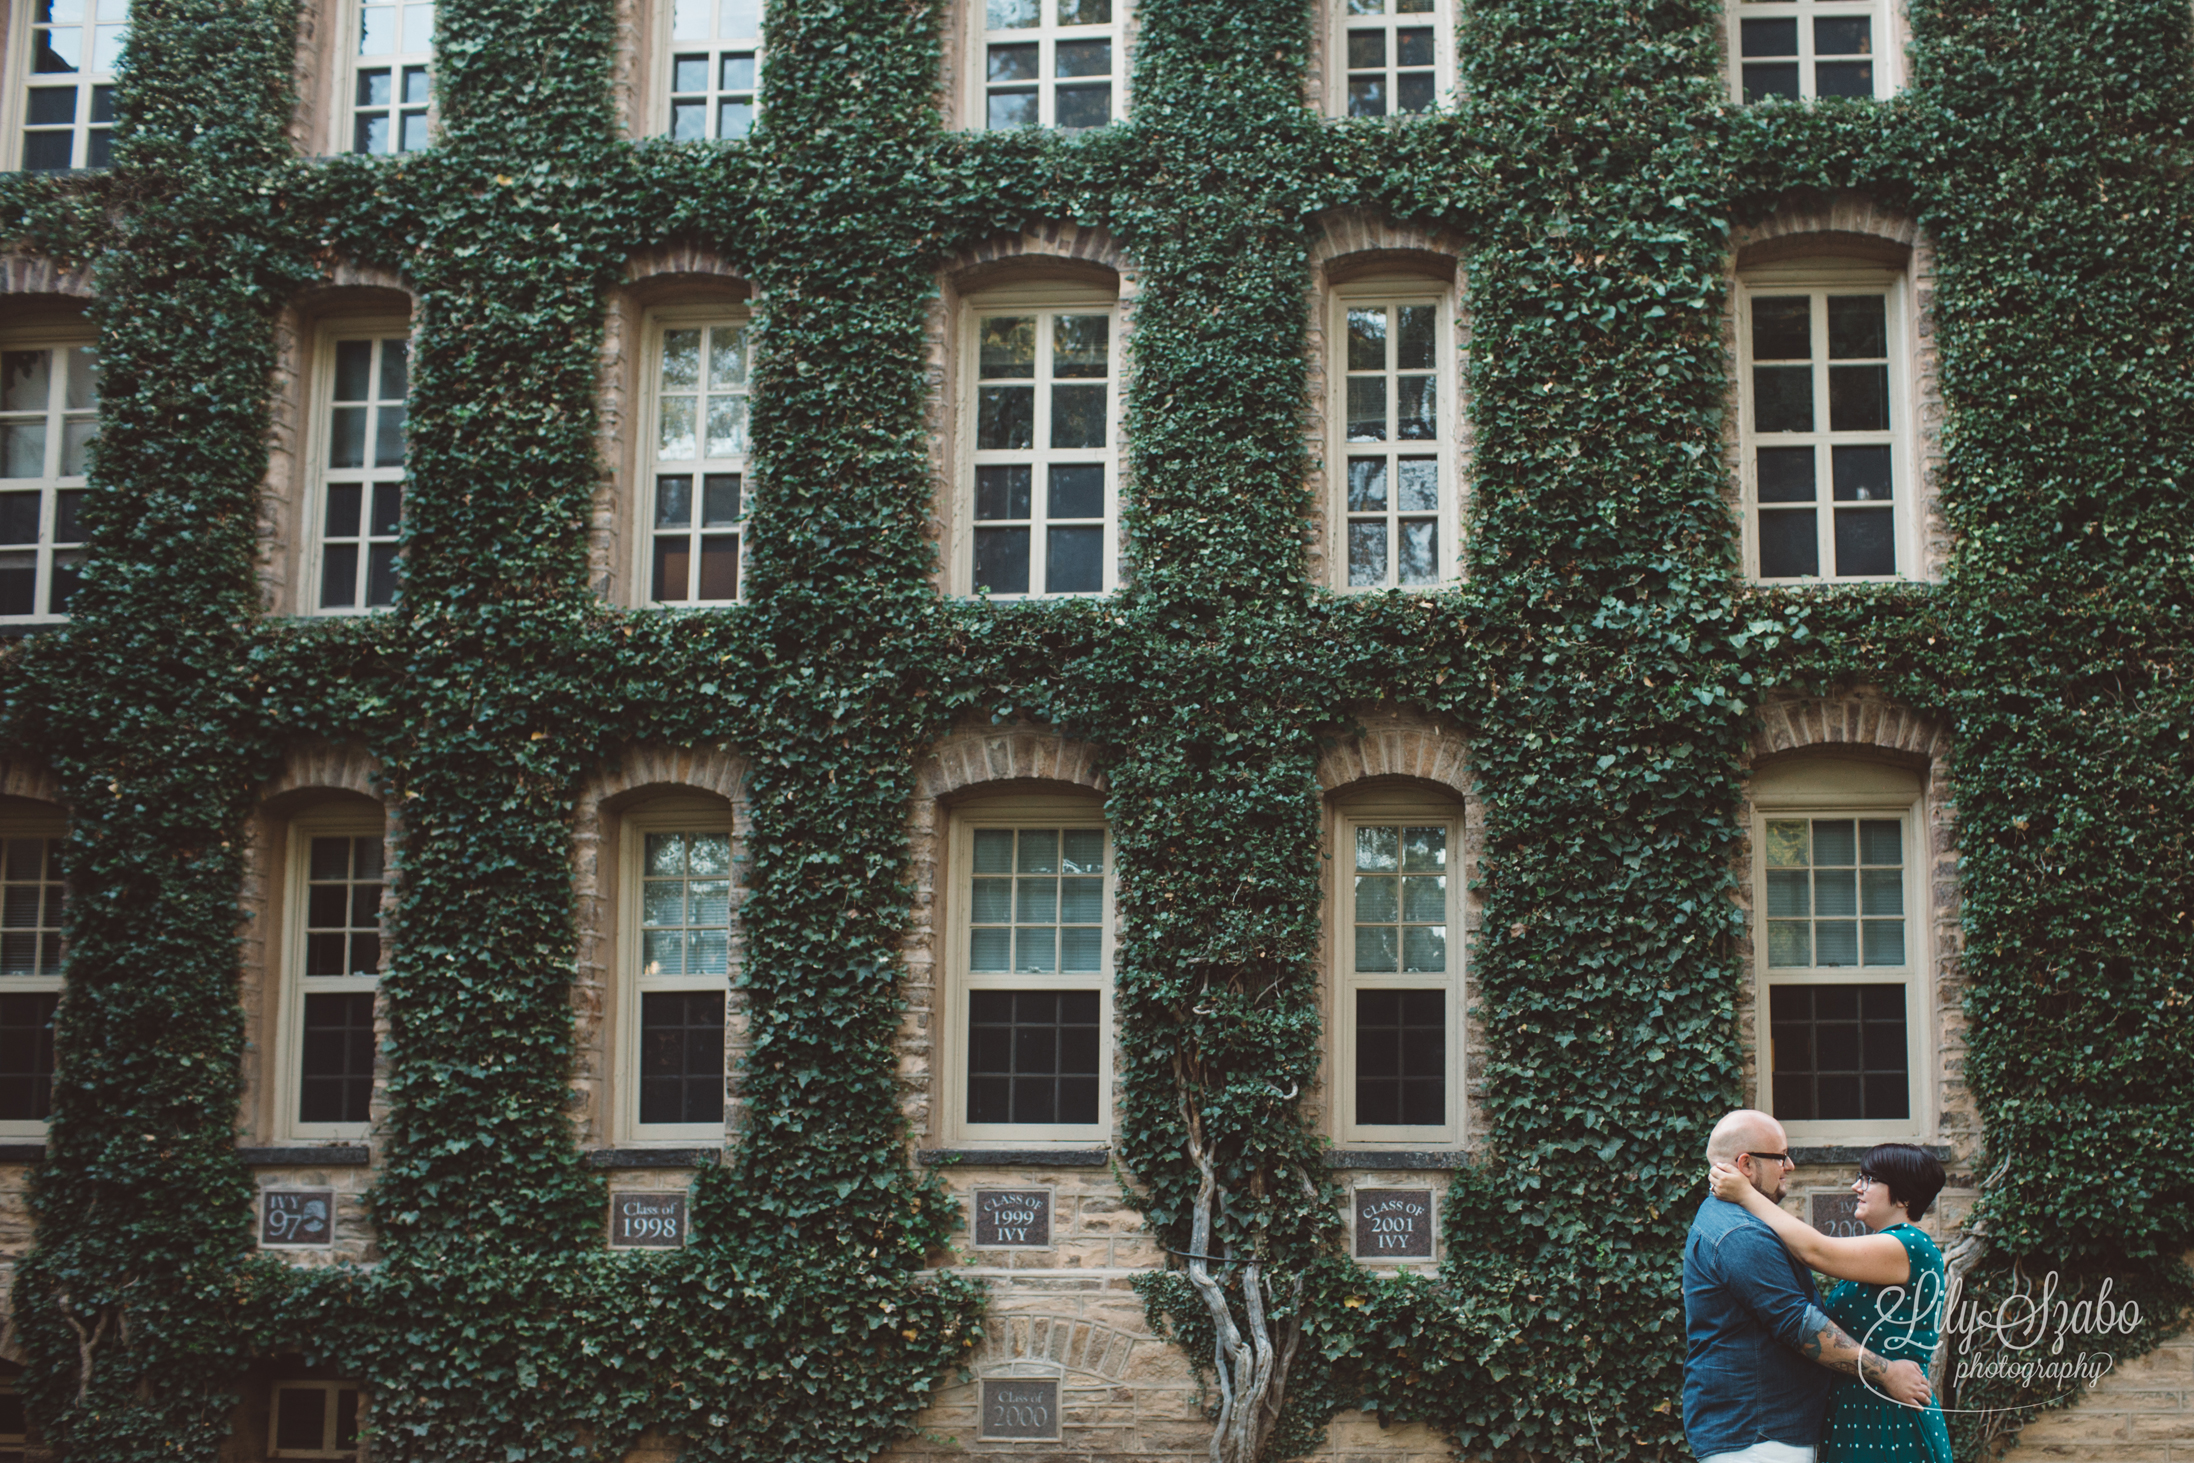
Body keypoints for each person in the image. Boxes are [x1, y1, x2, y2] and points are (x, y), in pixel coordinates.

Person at [1684, 1110, 1932, 1463]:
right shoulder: (1740, 1233)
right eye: (1781, 1156)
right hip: (1759, 1437)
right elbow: (1800, 1323)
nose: (1791, 1165)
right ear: (1746, 1165)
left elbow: (1818, 1251)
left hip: (1774, 1432)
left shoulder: (1907, 1245)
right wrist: (1887, 1371)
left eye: (1870, 1180)